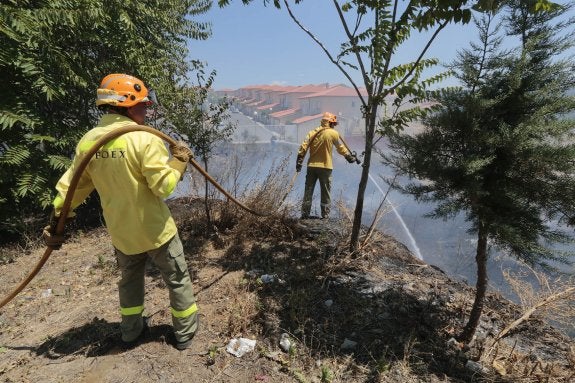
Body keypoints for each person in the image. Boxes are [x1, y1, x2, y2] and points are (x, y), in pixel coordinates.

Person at [42, 73, 199, 350]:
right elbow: (164, 187)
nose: (146, 109)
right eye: (143, 104)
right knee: (177, 279)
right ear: (126, 105)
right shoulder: (143, 139)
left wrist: (58, 219)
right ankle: (185, 333)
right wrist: (179, 162)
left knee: (129, 282)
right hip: (156, 230)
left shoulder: (89, 141)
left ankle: (130, 332)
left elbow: (73, 188)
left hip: (122, 233)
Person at [296, 112, 356, 219]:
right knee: (325, 192)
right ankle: (325, 215)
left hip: (311, 167)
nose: (334, 125)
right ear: (330, 122)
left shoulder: (312, 132)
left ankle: (305, 214)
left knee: (308, 191)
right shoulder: (333, 133)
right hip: (325, 167)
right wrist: (349, 157)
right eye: (334, 123)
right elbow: (340, 147)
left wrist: (299, 161)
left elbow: (303, 147)